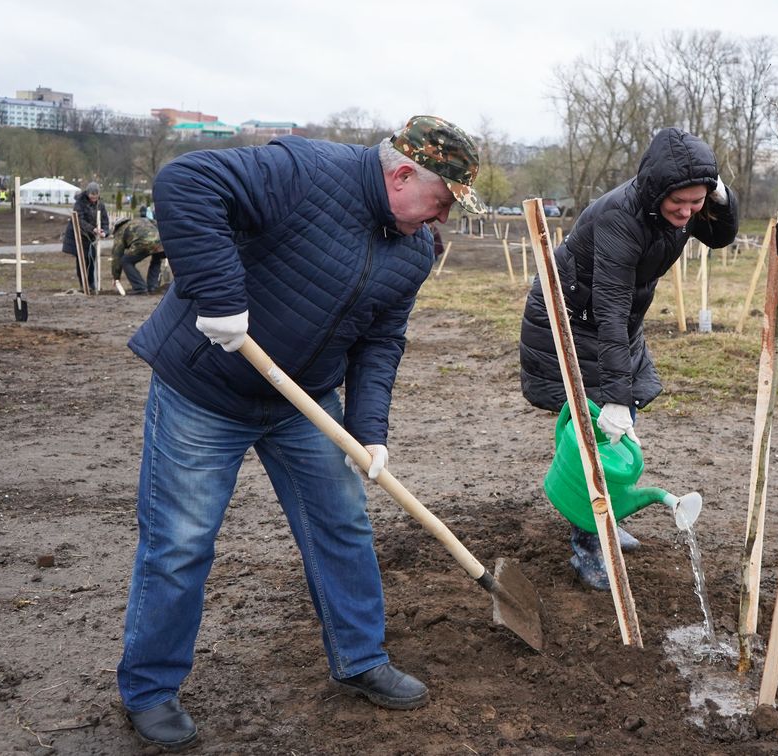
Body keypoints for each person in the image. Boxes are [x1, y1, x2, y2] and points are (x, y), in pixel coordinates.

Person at [117, 115, 484, 750]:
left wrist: (369, 432)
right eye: (442, 202)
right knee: (181, 542)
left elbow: (380, 341)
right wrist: (221, 297)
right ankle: (149, 689)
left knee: (343, 522)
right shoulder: (305, 171)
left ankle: (361, 658)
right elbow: (185, 181)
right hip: (204, 390)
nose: (442, 219)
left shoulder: (415, 248)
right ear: (402, 174)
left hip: (303, 402)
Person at [519, 127, 740, 590]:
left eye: (696, 202)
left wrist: (720, 196)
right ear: (656, 191)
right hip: (573, 317)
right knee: (593, 429)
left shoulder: (683, 204)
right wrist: (613, 398)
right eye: (678, 203)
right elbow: (610, 308)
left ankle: (610, 511)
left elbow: (720, 237)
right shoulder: (621, 217)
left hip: (616, 321)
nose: (686, 214)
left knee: (623, 422)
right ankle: (588, 543)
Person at [61, 181, 110, 290]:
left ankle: (91, 283)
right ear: (87, 194)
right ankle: (83, 284)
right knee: (82, 259)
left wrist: (104, 232)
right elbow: (79, 220)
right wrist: (92, 229)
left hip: (93, 237)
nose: (94, 199)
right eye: (92, 197)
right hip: (79, 235)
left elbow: (105, 221)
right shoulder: (80, 203)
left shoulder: (100, 205)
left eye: (96, 197)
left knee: (92, 259)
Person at [110, 216, 166, 294]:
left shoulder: (121, 230)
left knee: (125, 261)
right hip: (160, 243)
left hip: (142, 244)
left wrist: (116, 277)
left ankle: (140, 288)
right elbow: (158, 224)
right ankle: (153, 287)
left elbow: (117, 255)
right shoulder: (142, 220)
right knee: (156, 259)